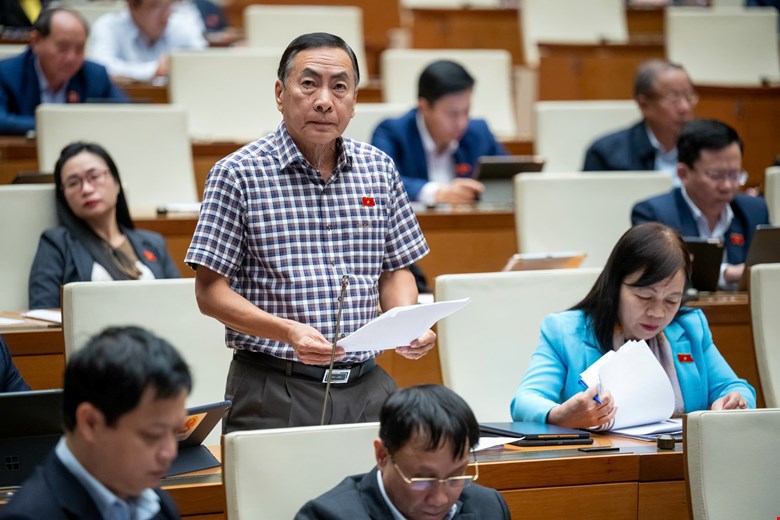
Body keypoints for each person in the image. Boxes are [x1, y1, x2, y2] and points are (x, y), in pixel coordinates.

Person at [185, 32, 434, 433]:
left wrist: (406, 322)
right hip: (273, 386)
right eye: (308, 83)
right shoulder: (237, 174)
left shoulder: (380, 169)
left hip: (368, 386)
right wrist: (288, 332)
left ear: (354, 101)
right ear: (280, 93)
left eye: (339, 87)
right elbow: (209, 293)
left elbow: (395, 269)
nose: (324, 100)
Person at [511, 223, 756, 429]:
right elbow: (525, 400)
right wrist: (560, 415)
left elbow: (732, 386)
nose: (657, 313)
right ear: (615, 285)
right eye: (645, 297)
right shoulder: (564, 332)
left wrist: (735, 401)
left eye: (672, 300)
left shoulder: (690, 328)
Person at [0, 326, 191, 519]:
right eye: (153, 435)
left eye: (175, 431)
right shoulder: (28, 516)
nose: (170, 452)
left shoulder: (159, 505)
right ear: (90, 423)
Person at [296, 384, 511, 520]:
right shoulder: (327, 516)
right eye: (423, 479)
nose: (439, 499)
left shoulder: (489, 507)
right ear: (382, 456)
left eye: (455, 477)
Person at [28, 141, 180, 309]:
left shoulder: (153, 242)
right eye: (73, 183)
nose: (86, 189)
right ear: (63, 196)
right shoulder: (56, 243)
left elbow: (180, 302)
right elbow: (43, 313)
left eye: (94, 176)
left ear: (116, 182)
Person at [631, 119, 770, 289]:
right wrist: (727, 273)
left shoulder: (754, 210)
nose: (727, 186)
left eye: (734, 174)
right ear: (683, 173)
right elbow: (659, 278)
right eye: (716, 175)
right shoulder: (654, 215)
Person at [371, 60, 507, 205]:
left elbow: (509, 176)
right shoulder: (392, 133)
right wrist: (437, 193)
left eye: (466, 111)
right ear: (424, 107)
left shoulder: (479, 132)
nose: (462, 123)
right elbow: (382, 182)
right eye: (452, 114)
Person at [0, 8, 127, 136]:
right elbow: (2, 121)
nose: (71, 58)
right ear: (36, 41)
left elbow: (126, 114)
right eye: (63, 47)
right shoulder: (6, 74)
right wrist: (61, 125)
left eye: (79, 48)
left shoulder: (95, 75)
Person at [582, 60, 696, 180]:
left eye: (688, 97)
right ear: (643, 104)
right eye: (673, 98)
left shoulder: (704, 148)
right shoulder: (606, 154)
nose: (685, 107)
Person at [87, 0, 208, 82]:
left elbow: (205, 62)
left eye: (169, 6)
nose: (165, 15)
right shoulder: (108, 26)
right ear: (132, 5)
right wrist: (154, 70)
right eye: (154, 7)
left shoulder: (180, 25)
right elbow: (101, 68)